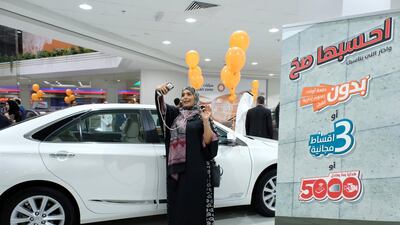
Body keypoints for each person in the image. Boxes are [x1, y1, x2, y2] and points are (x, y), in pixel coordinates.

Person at [155, 83, 218, 225]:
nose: (185, 97)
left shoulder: (202, 115)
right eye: (183, 94)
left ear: (195, 98)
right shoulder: (175, 115)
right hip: (177, 170)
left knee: (195, 205)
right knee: (178, 205)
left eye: (189, 94)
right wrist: (159, 93)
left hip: (196, 169)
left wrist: (206, 120)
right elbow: (161, 109)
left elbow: (209, 141)